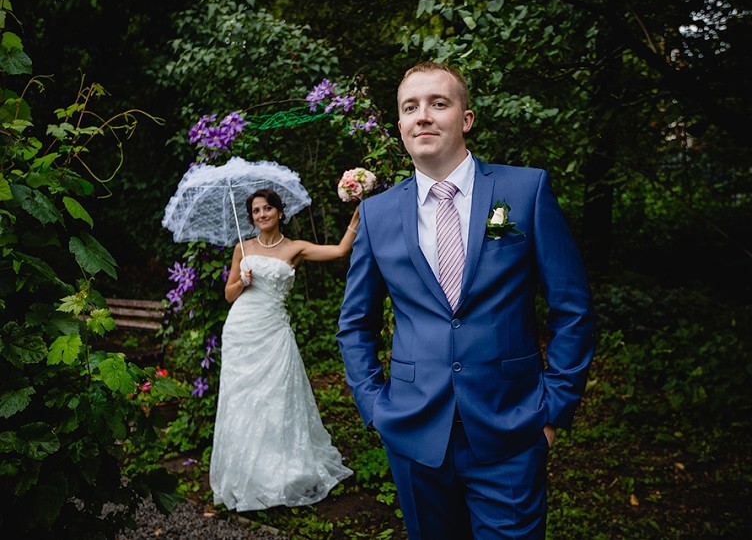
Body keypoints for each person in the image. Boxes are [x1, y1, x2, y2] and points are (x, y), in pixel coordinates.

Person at [336, 61, 596, 539]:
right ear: (400, 125)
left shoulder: (525, 190)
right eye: (410, 107)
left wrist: (553, 410)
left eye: (438, 103)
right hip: (413, 435)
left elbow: (572, 308)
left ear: (466, 118)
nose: (423, 116)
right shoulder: (377, 214)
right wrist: (375, 409)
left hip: (511, 430)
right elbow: (355, 323)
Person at [210, 188, 359, 511]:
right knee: (243, 400)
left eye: (267, 208)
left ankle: (281, 472)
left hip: (274, 331)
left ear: (279, 212)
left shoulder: (295, 248)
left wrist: (359, 215)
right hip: (241, 331)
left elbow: (340, 250)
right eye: (255, 211)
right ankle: (247, 475)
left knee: (277, 397)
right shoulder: (242, 248)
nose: (261, 214)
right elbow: (229, 295)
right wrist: (242, 281)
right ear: (251, 218)